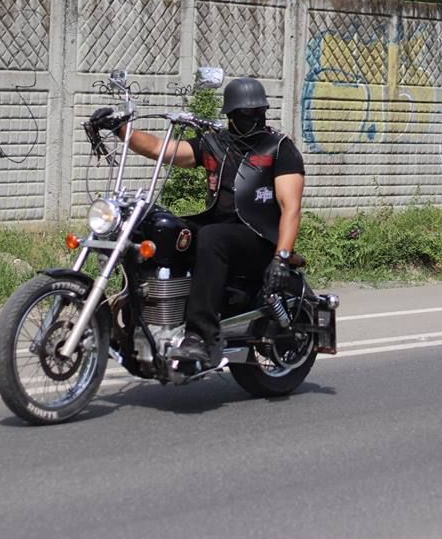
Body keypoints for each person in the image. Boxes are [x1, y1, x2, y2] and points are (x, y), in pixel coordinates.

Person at [98, 77, 306, 369]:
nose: (255, 117)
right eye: (247, 113)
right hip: (219, 230)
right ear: (231, 115)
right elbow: (160, 148)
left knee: (212, 237)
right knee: (162, 230)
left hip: (260, 238)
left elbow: (290, 208)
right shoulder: (215, 144)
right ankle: (138, 320)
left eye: (259, 111)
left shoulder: (279, 148)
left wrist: (281, 258)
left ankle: (200, 337)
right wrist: (121, 130)